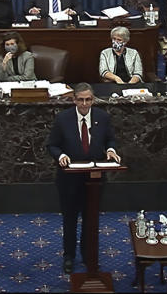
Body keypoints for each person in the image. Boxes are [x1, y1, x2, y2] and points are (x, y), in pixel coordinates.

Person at [46, 83, 120, 274]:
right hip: (69, 179)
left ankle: (88, 256)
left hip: (94, 179)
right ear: (74, 100)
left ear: (93, 100)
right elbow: (52, 145)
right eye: (81, 100)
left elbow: (110, 140)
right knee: (70, 220)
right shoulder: (63, 119)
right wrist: (60, 156)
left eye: (88, 100)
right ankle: (69, 257)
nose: (84, 104)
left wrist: (111, 150)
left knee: (91, 219)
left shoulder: (102, 118)